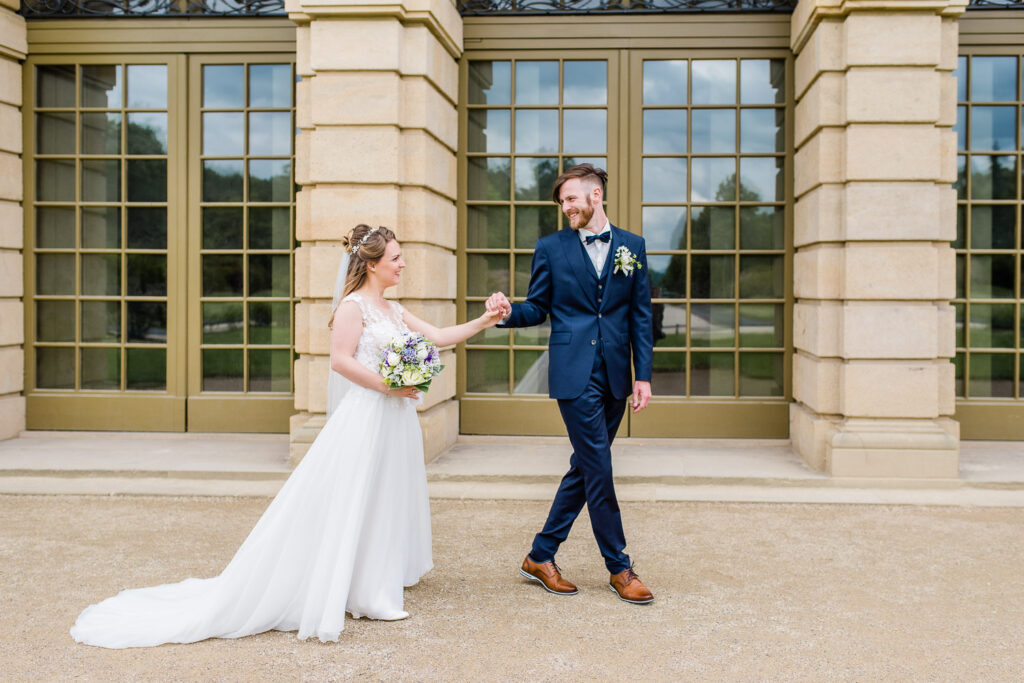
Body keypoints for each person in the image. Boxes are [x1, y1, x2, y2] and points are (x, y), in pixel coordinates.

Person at [70, 224, 502, 648]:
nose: (403, 264)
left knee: (385, 496)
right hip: (369, 416)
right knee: (357, 495)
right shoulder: (354, 307)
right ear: (371, 265)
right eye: (396, 258)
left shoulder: (392, 309)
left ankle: (372, 581)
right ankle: (369, 596)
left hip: (395, 419)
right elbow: (339, 361)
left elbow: (440, 337)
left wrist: (485, 319)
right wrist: (390, 385)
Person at [485, 164, 655, 605]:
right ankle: (620, 568)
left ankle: (541, 555)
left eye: (572, 199)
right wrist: (506, 312)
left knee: (585, 467)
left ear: (596, 195)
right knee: (598, 466)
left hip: (616, 373)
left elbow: (640, 316)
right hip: (573, 373)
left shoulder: (632, 247)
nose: (566, 208)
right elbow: (537, 307)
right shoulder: (551, 248)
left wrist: (644, 376)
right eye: (562, 202)